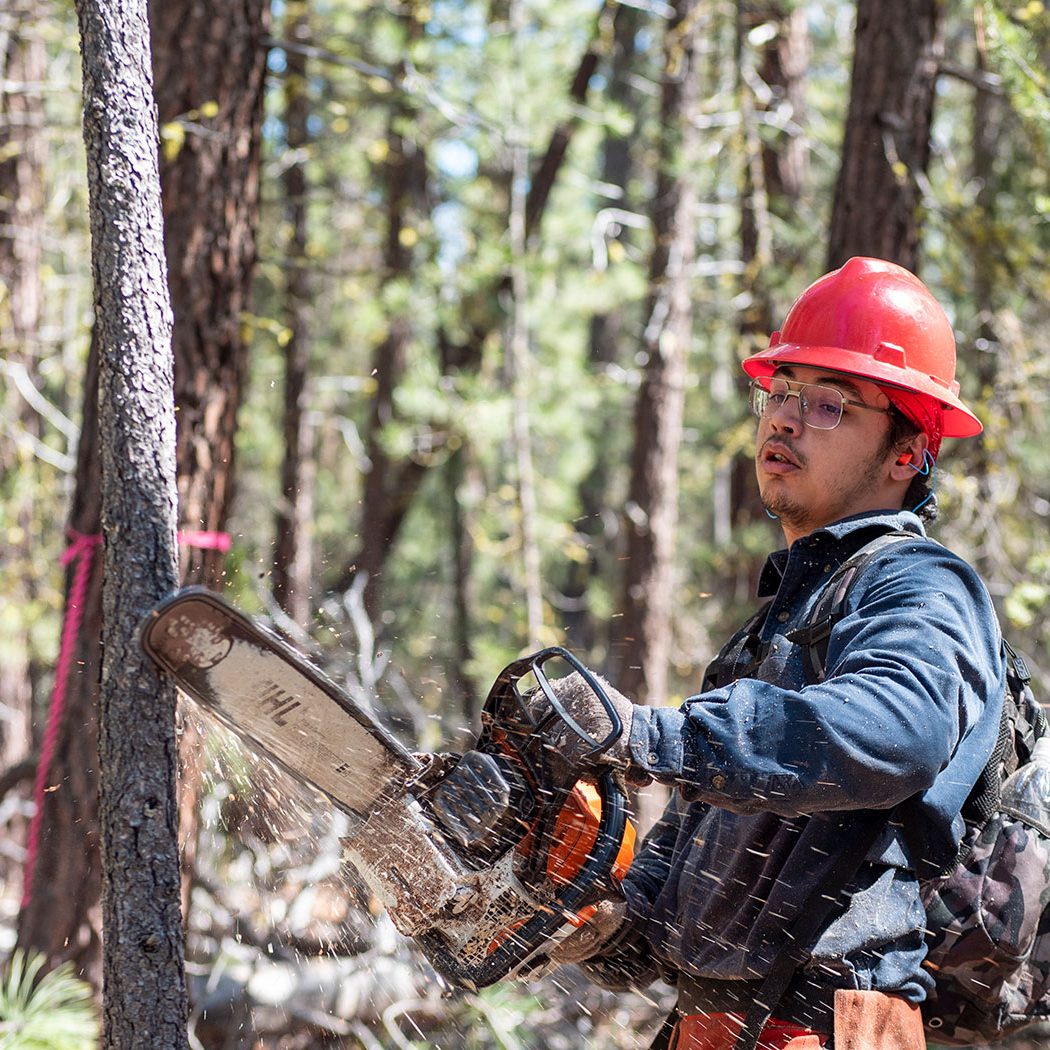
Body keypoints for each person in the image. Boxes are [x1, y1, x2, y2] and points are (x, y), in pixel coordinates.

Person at [545, 257, 1006, 1050]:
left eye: (829, 403)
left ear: (907, 451)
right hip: (718, 1024)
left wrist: (657, 737)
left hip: (833, 1026)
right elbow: (711, 841)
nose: (785, 419)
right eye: (781, 392)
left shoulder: (921, 587)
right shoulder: (782, 621)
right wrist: (614, 920)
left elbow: (896, 730)